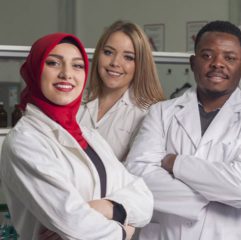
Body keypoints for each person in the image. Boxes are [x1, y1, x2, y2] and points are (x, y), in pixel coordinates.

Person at [125, 21, 241, 240]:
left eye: (230, 58)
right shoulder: (161, 113)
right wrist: (212, 195)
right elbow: (137, 176)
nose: (218, 64)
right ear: (193, 62)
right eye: (207, 55)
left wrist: (174, 163)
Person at [0, 33, 153, 240]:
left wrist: (104, 208)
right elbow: (76, 225)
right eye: (53, 63)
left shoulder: (89, 135)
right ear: (35, 70)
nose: (67, 74)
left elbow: (144, 199)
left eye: (78, 66)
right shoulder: (25, 141)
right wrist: (124, 231)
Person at [78, 20, 164, 162]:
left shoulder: (149, 113)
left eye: (128, 57)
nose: (115, 63)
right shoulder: (75, 100)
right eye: (108, 52)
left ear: (140, 65)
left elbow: (136, 172)